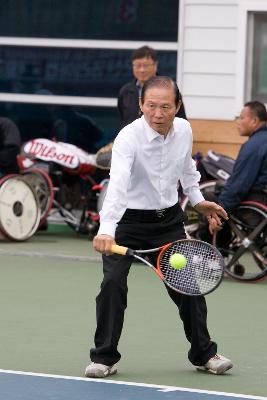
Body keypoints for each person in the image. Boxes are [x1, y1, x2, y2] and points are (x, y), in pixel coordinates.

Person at [85, 76, 233, 378]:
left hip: (167, 223)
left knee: (188, 287)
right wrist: (106, 229)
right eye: (151, 106)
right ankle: (104, 358)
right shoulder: (128, 138)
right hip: (126, 224)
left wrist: (198, 200)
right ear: (141, 105)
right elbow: (119, 185)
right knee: (112, 285)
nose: (158, 113)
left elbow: (187, 169)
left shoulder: (185, 130)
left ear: (177, 106)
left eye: (166, 106)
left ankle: (205, 354)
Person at [118, 46, 187, 128]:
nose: (142, 70)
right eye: (137, 65)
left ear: (155, 65)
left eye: (146, 65)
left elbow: (181, 123)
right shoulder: (126, 91)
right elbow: (123, 120)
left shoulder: (170, 91)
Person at [218, 100, 267, 211]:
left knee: (209, 200)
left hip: (257, 201)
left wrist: (221, 209)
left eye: (241, 118)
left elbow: (239, 185)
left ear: (254, 121)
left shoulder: (254, 146)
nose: (238, 122)